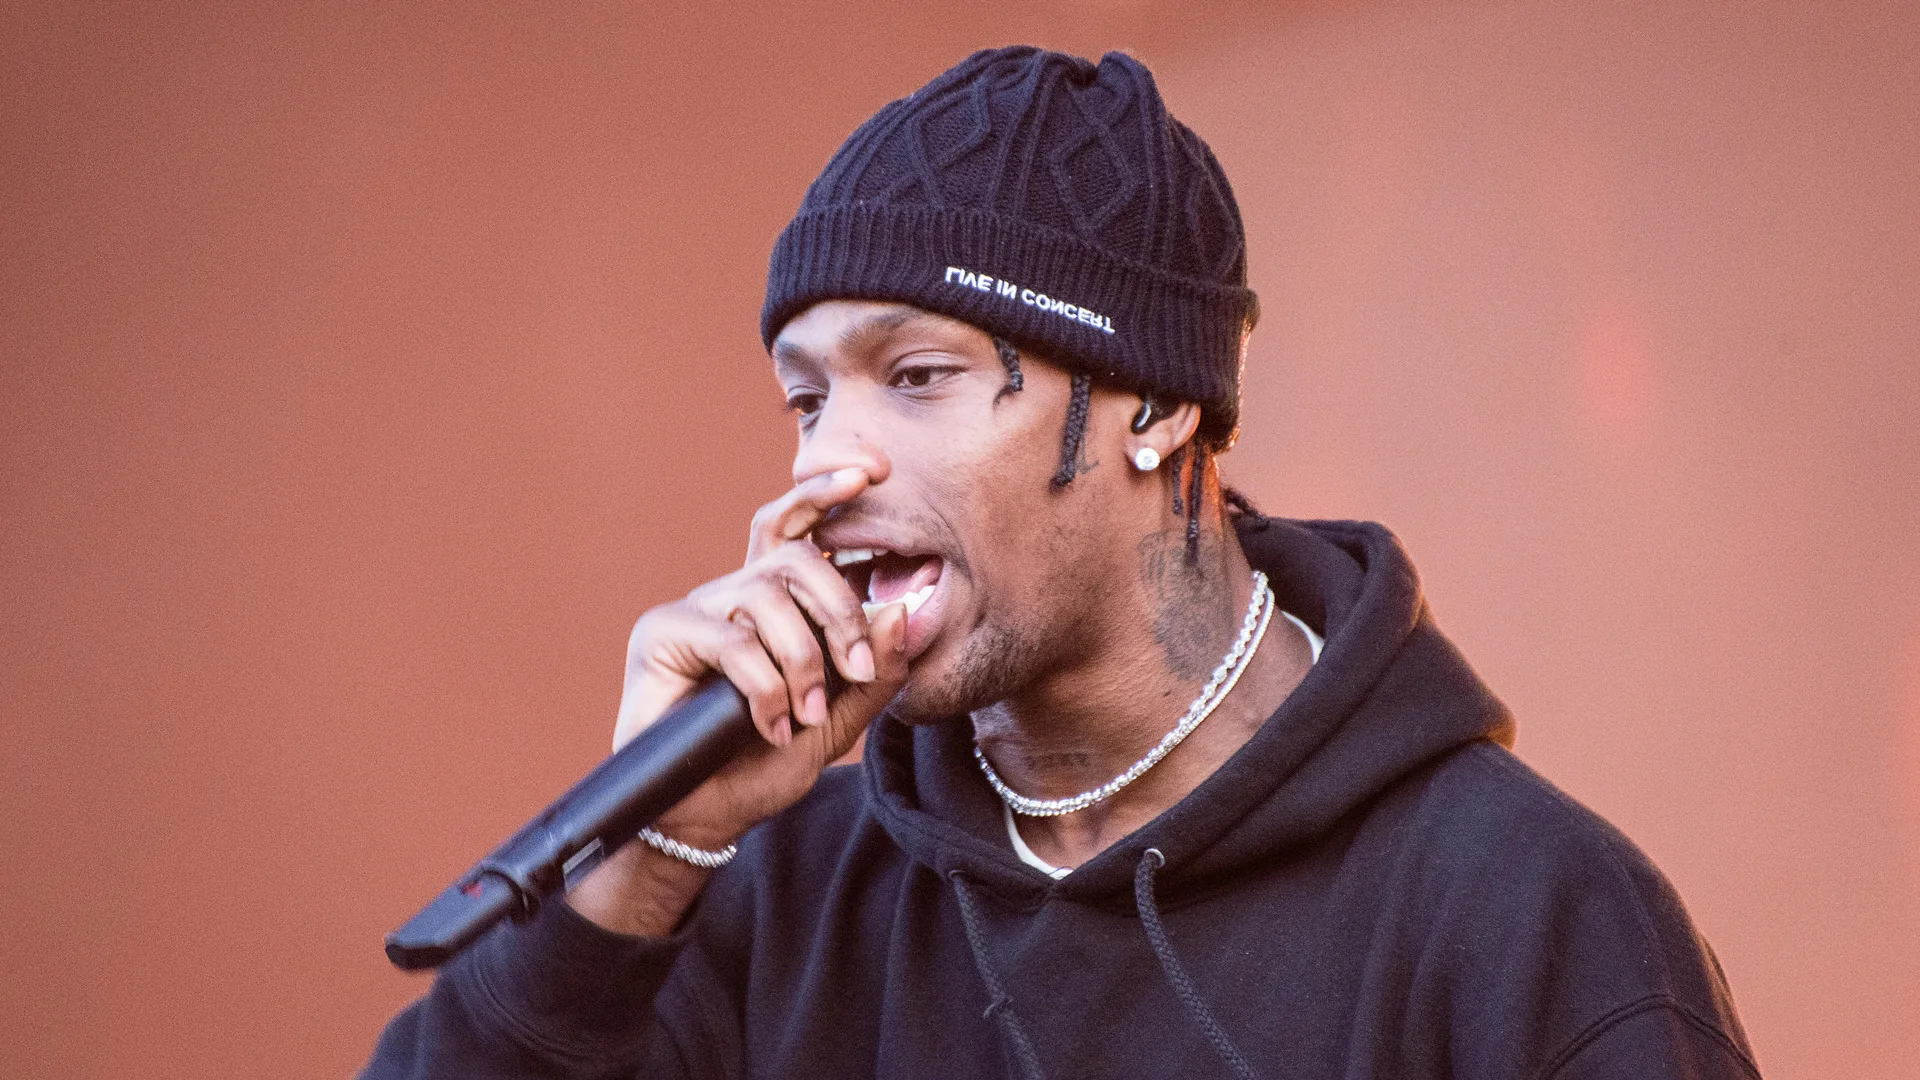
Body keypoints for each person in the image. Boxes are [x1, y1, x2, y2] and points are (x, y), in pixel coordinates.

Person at [363, 47, 1760, 1079]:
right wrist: (637, 866)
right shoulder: (776, 898)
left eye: (917, 377)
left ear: (1154, 405)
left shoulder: (1519, 914)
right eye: (807, 398)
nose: (823, 469)